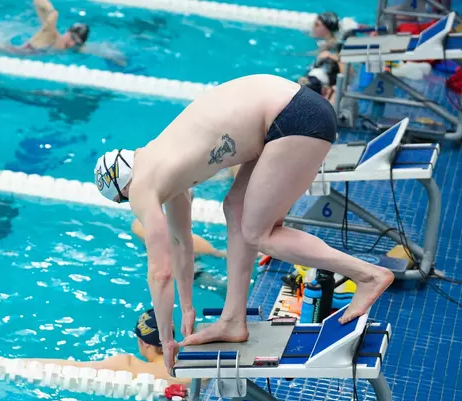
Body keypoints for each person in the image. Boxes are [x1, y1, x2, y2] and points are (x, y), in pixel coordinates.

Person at [92, 74, 395, 370]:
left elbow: (160, 273)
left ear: (122, 192)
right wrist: (186, 309)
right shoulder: (164, 170)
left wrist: (167, 341)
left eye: (124, 202)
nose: (133, 207)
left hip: (292, 117)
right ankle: (233, 319)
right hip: (290, 110)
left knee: (258, 233)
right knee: (234, 209)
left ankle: (367, 275)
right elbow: (181, 244)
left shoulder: (141, 187)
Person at [27, 309, 190, 386]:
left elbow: (74, 368)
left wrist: (25, 363)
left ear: (145, 342)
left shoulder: (129, 366)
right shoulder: (193, 369)